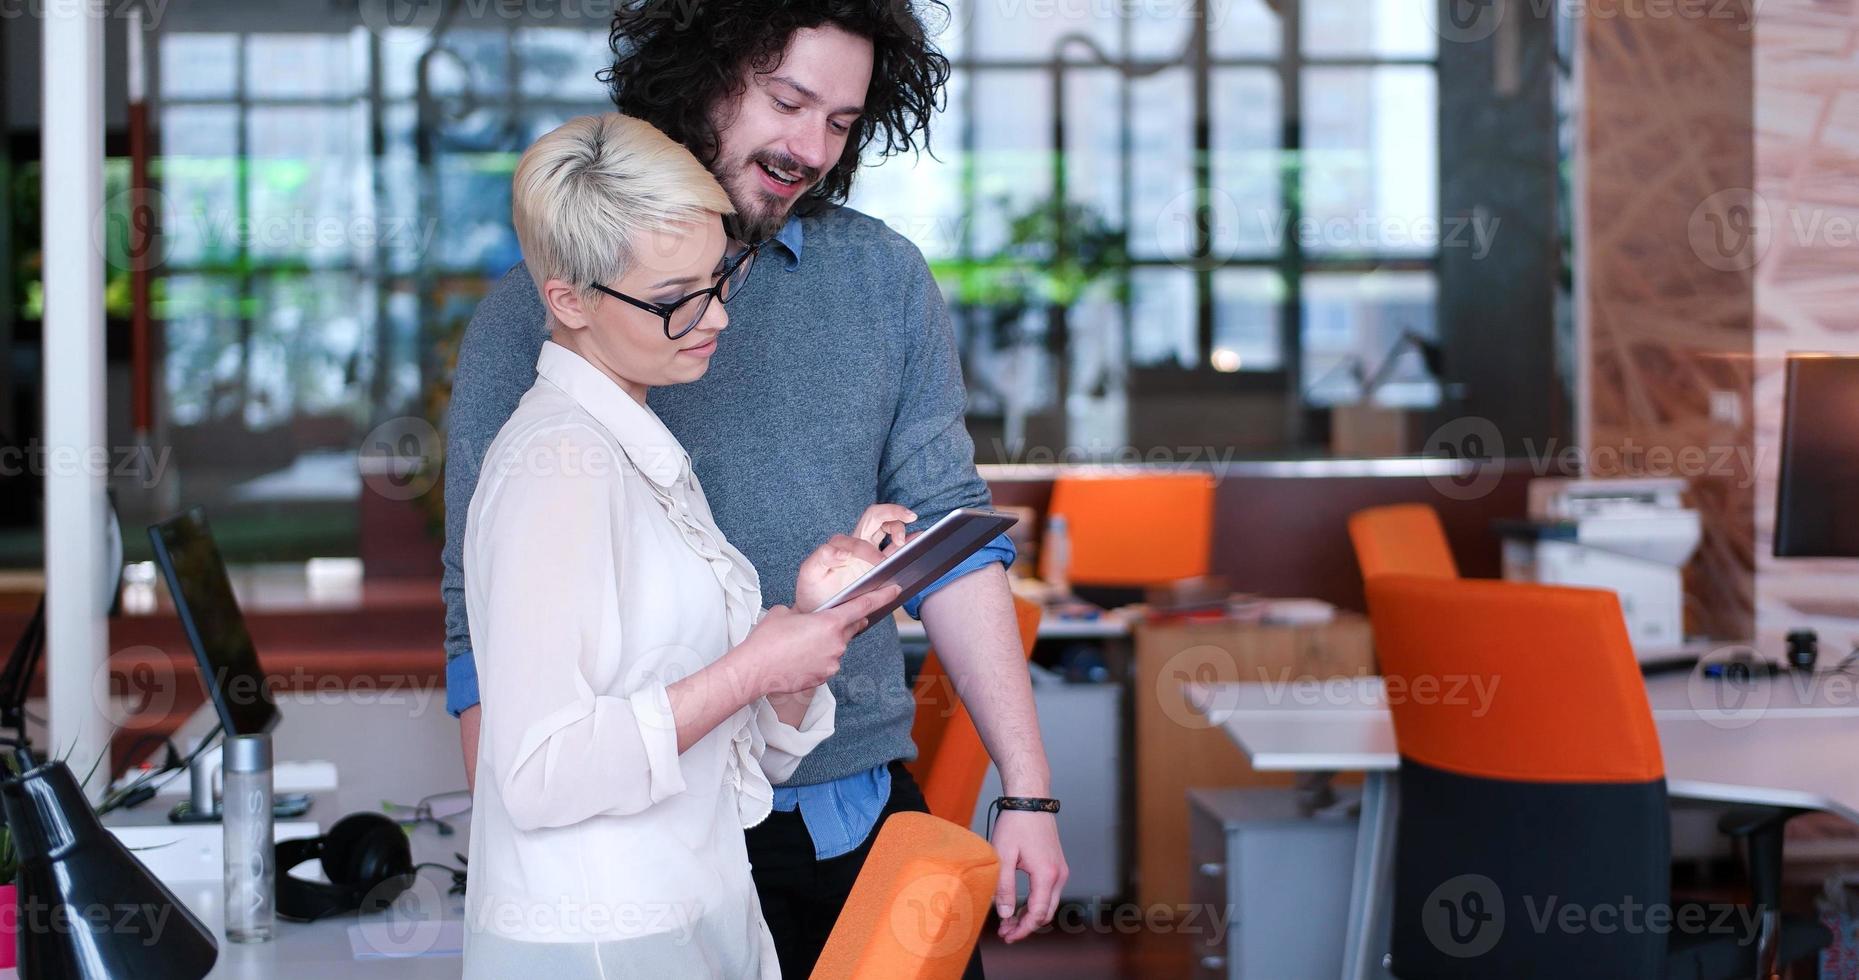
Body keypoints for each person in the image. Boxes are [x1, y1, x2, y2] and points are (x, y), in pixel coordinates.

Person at [441, 3, 1069, 975]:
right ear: (704, 75)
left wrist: (1026, 789)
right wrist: (528, 876)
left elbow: (947, 533)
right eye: (788, 100)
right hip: (646, 847)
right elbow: (482, 634)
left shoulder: (879, 279)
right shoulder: (548, 316)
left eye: (842, 121)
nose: (811, 146)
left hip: (843, 818)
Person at [462, 112, 907, 979]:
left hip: (684, 916)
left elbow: (721, 742)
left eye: (718, 277)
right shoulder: (557, 468)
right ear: (567, 301)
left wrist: (809, 622)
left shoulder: (633, 443)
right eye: (673, 300)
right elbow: (538, 771)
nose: (715, 320)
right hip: (602, 944)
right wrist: (752, 670)